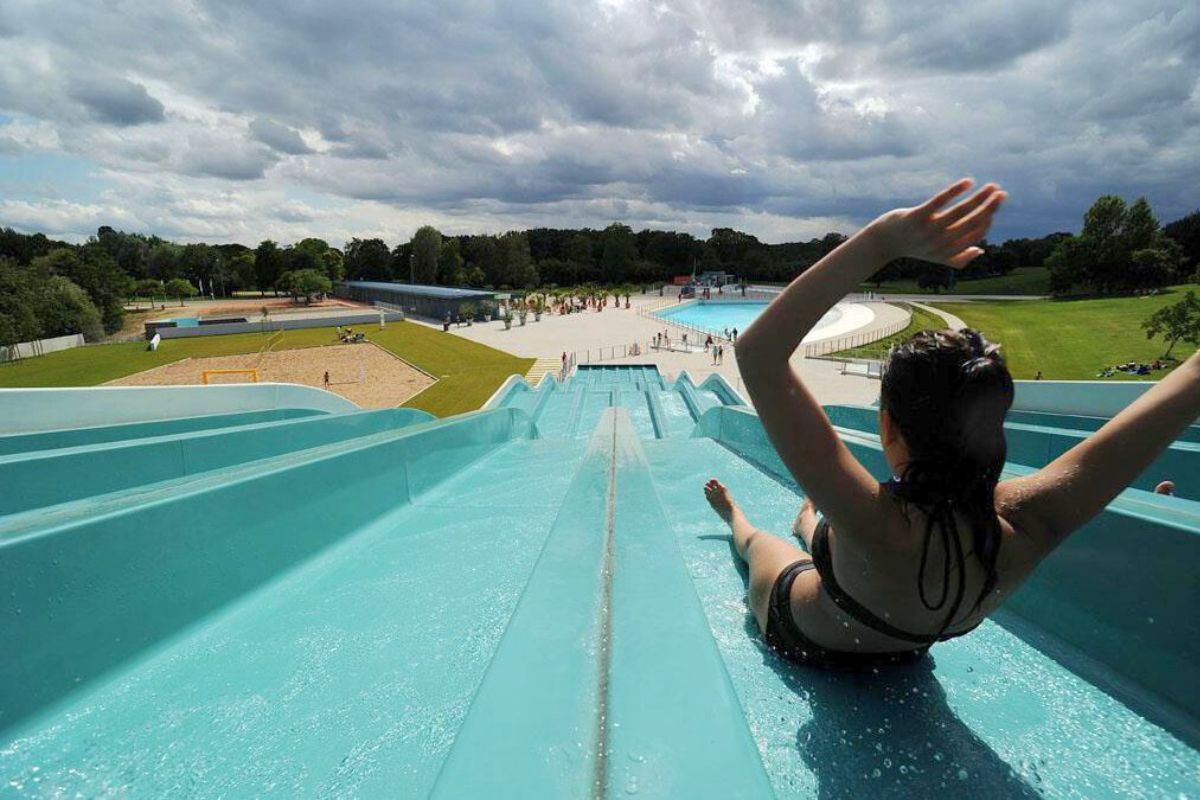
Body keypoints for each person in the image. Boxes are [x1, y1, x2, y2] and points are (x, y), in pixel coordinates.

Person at [704, 178, 1200, 669]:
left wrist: (882, 241)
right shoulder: (1034, 522)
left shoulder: (869, 518)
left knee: (756, 545)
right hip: (910, 643)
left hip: (806, 636)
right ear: (994, 427)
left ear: (888, 428)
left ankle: (743, 518)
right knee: (822, 531)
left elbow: (758, 354)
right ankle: (808, 524)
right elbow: (1190, 383)